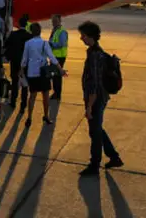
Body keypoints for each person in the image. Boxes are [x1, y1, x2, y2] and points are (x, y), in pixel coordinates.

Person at [78, 21, 123, 177]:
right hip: (99, 97)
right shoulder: (95, 51)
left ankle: (94, 165)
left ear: (90, 36)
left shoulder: (95, 56)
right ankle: (114, 157)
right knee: (97, 129)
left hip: (96, 99)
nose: (81, 38)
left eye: (83, 35)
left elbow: (95, 84)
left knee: (95, 133)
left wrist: (89, 106)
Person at [20, 23, 66, 128]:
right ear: (40, 31)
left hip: (32, 72)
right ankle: (46, 116)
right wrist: (60, 69)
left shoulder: (28, 43)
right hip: (43, 73)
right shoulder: (45, 43)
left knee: (32, 95)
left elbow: (24, 59)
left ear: (31, 32)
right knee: (45, 96)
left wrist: (22, 70)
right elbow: (52, 58)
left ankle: (29, 117)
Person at [4, 16, 32, 113]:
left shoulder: (13, 34)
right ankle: (23, 105)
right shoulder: (29, 36)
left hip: (15, 62)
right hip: (25, 64)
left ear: (19, 24)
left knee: (15, 82)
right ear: (26, 24)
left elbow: (6, 45)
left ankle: (13, 102)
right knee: (25, 85)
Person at [49, 14, 69, 100]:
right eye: (53, 21)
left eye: (55, 21)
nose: (53, 23)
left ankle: (57, 94)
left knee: (57, 76)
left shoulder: (62, 31)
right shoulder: (55, 30)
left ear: (60, 21)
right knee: (54, 75)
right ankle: (56, 93)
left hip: (59, 57)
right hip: (54, 56)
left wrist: (51, 44)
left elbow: (62, 44)